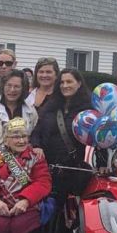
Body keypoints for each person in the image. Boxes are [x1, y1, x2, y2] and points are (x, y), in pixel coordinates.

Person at [30, 69, 94, 201]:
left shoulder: (88, 109)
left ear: (79, 83)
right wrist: (36, 146)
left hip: (73, 170)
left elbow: (98, 137)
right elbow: (37, 130)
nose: (65, 86)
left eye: (69, 81)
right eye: (62, 82)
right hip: (48, 168)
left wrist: (102, 162)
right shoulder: (51, 105)